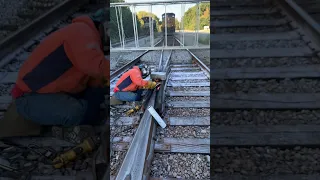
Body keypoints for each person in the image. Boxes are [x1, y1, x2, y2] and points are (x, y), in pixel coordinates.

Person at [11, 8, 110, 127]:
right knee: (78, 113)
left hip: (50, 92)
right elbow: (98, 66)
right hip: (29, 98)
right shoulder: (82, 33)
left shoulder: (86, 33)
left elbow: (94, 77)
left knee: (96, 96)